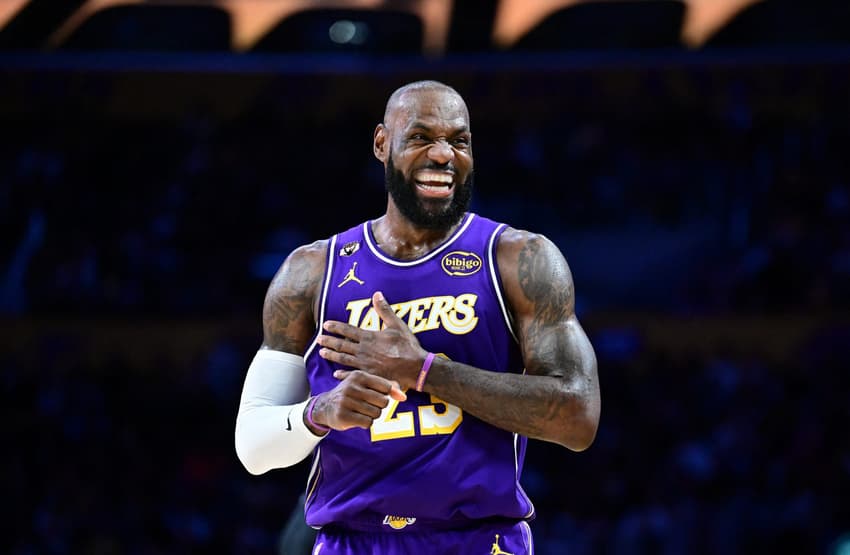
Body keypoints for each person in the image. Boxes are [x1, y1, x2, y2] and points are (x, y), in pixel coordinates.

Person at [235, 80, 601, 555]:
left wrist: (424, 370)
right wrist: (319, 413)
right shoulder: (311, 272)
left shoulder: (518, 259)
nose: (444, 154)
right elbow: (253, 447)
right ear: (382, 144)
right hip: (354, 541)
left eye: (459, 140)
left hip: (479, 540)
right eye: (422, 137)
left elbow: (577, 417)